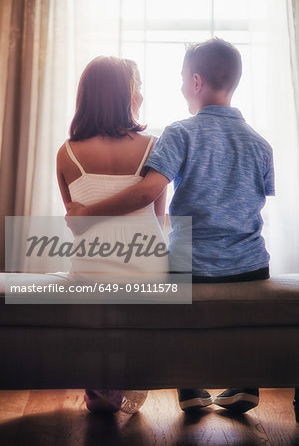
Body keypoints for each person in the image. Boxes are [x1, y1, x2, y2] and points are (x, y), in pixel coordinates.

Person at [66, 39, 275, 413]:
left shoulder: (180, 132)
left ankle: (189, 388)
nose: (180, 87)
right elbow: (258, 199)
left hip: (192, 265)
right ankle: (246, 383)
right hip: (251, 264)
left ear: (196, 82)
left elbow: (147, 191)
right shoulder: (261, 144)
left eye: (182, 79)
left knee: (178, 314)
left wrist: (88, 214)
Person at [56, 56, 169, 413]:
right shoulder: (154, 147)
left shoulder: (67, 153)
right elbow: (159, 217)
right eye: (136, 87)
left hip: (92, 272)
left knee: (91, 280)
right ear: (123, 94)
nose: (140, 94)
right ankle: (123, 380)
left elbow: (76, 221)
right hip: (148, 270)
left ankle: (99, 385)